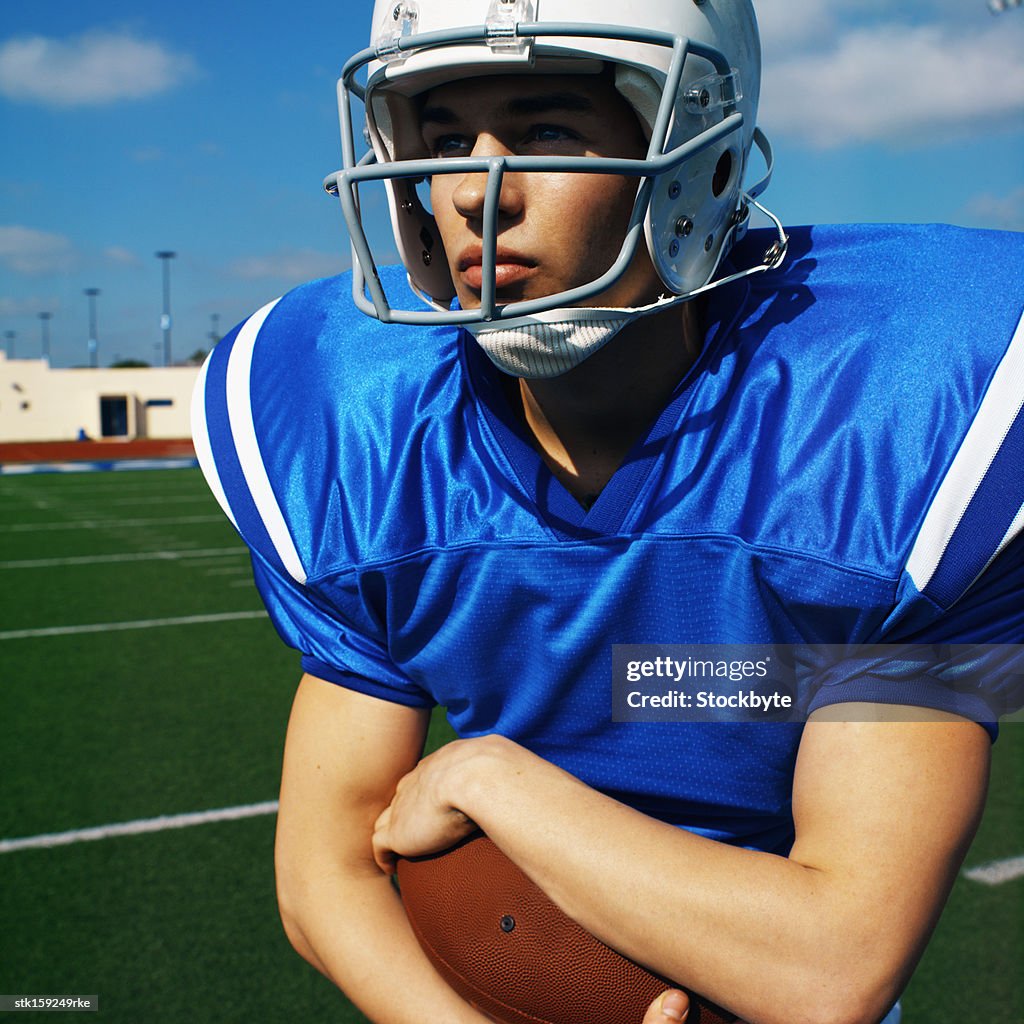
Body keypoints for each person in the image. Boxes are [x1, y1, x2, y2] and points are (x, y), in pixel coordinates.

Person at [191, 1, 1024, 1022]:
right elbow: (324, 876)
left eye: (544, 129)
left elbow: (829, 965)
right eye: (445, 138)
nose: (472, 190)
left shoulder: (899, 407)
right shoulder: (355, 423)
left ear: (694, 154)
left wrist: (496, 777)